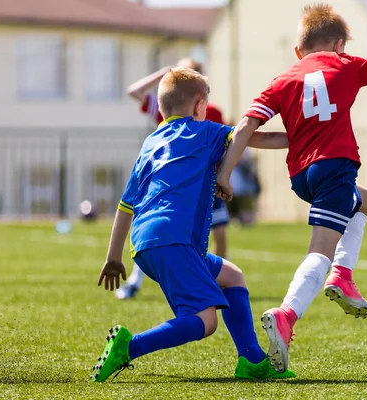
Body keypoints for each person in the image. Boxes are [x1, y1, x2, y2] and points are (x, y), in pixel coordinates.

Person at [216, 4, 367, 372]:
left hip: (302, 178)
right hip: (335, 167)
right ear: (337, 44)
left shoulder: (281, 80)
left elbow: (245, 129)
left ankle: (343, 277)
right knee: (320, 251)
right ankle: (287, 314)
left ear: (299, 50)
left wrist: (225, 172)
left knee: (364, 200)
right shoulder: (346, 65)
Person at [91, 67, 294, 382]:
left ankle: (252, 360)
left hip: (145, 243)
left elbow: (125, 204)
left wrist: (113, 257)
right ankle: (128, 347)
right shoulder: (205, 131)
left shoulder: (150, 143)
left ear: (160, 108)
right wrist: (302, 137)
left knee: (232, 276)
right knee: (204, 321)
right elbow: (250, 136)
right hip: (175, 240)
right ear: (201, 104)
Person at [116, 58, 229, 300]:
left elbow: (232, 141)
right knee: (160, 231)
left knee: (218, 234)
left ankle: (215, 283)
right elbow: (133, 91)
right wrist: (163, 76)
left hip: (206, 182)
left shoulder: (212, 114)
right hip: (170, 186)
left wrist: (224, 174)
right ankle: (135, 282)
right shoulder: (166, 106)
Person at [228, 148, 261, 226]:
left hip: (244, 189)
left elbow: (251, 167)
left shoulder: (246, 148)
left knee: (247, 219)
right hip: (227, 187)